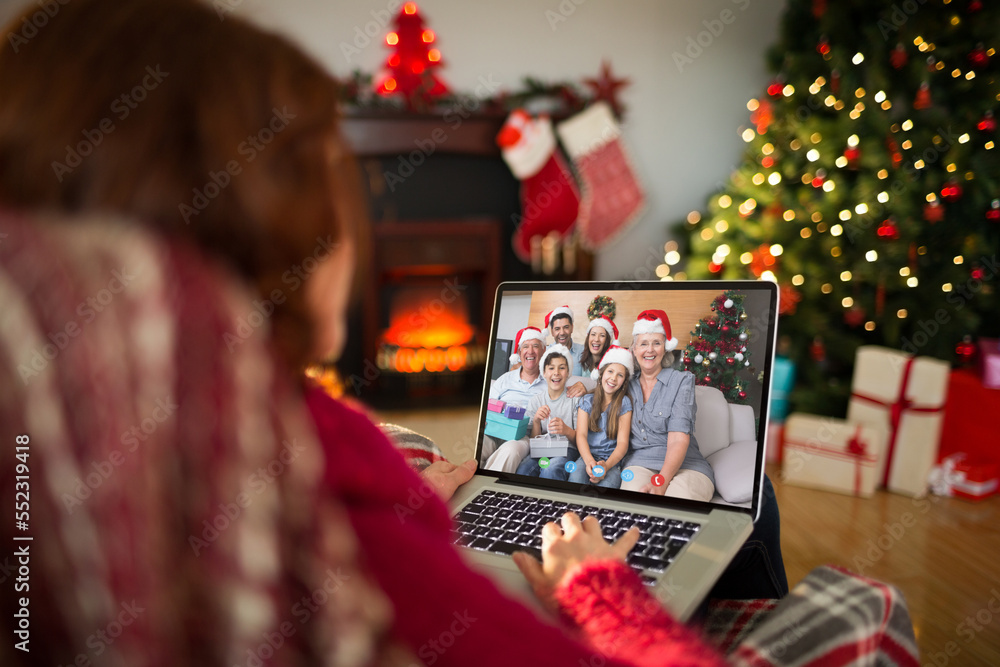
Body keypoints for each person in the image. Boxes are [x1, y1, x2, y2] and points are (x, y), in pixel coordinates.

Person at [0, 2, 734, 665]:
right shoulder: (323, 502)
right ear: (270, 220)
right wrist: (600, 589)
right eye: (331, 179)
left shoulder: (48, 439)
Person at [620, 310, 716, 501]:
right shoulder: (625, 383)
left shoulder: (681, 381)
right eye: (643, 344)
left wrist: (661, 481)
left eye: (657, 343)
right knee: (631, 503)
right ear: (634, 349)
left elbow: (678, 440)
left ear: (665, 348)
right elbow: (600, 394)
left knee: (677, 503)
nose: (650, 350)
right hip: (639, 463)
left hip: (687, 465)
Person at [569, 345, 635, 489]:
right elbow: (580, 435)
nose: (613, 378)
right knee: (575, 478)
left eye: (620, 375)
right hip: (587, 455)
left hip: (612, 461)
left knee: (608, 486)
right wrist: (589, 461)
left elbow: (623, 444)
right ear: (601, 374)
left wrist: (606, 466)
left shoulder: (624, 403)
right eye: (610, 371)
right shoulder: (587, 400)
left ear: (624, 382)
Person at [511, 345, 581, 479]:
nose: (556, 372)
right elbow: (533, 442)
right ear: (544, 372)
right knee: (523, 469)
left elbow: (581, 441)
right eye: (551, 368)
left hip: (567, 450)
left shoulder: (575, 400)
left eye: (562, 368)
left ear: (568, 372)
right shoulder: (536, 400)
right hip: (542, 449)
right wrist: (537, 421)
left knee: (551, 469)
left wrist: (566, 430)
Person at [482, 326, 547, 462]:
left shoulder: (551, 383)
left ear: (543, 351)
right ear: (519, 351)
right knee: (478, 444)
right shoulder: (505, 379)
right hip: (495, 430)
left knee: (511, 450)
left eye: (535, 346)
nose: (530, 351)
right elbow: (487, 406)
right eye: (525, 346)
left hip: (523, 436)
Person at [544, 305, 586, 377]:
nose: (562, 333)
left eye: (566, 327)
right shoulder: (544, 352)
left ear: (572, 327)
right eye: (557, 329)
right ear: (552, 331)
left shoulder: (583, 351)